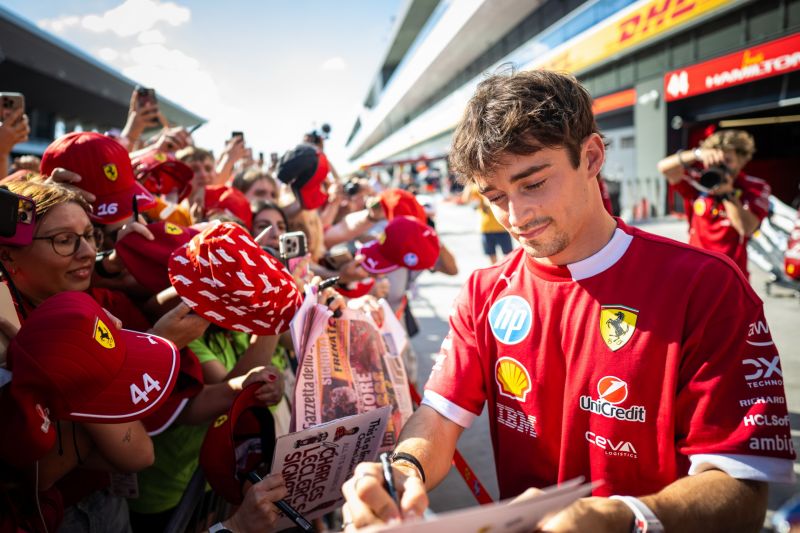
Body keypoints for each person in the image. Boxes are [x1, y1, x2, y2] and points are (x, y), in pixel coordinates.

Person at [341, 70, 794, 532]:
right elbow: (439, 415)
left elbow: (742, 490)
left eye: (533, 183)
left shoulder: (706, 286)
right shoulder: (483, 292)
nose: (516, 216)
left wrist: (622, 517)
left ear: (591, 156)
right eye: (495, 196)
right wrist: (403, 470)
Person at [656, 129, 769, 278]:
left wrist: (727, 194)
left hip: (731, 275)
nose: (720, 166)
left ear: (741, 160)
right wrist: (697, 153)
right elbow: (663, 167)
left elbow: (746, 228)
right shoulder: (698, 182)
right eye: (715, 160)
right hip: (695, 271)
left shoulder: (754, 187)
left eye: (727, 161)